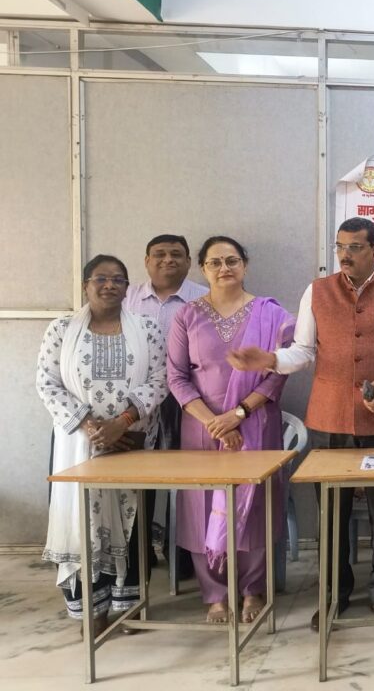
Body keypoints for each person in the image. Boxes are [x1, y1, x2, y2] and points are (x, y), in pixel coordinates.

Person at [228, 217, 374, 633]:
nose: (345, 255)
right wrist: (270, 359)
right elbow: (302, 351)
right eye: (340, 247)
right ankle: (335, 595)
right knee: (332, 513)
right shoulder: (317, 291)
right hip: (328, 417)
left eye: (355, 247)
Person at [166, 236, 295, 624]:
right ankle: (215, 594)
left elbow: (278, 373)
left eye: (232, 260)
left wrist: (238, 414)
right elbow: (176, 377)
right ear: (203, 269)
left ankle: (253, 588)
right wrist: (215, 423)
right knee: (202, 507)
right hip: (202, 428)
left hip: (255, 424)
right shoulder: (187, 316)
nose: (224, 268)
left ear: (245, 265)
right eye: (215, 262)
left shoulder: (272, 314)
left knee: (254, 506)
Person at [37, 255, 167, 634]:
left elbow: (160, 380)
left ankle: (130, 605)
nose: (109, 285)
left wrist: (121, 423)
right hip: (78, 443)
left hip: (132, 440)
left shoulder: (147, 328)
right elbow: (47, 382)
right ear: (85, 285)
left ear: (128, 288)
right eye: (100, 278)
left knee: (133, 523)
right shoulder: (61, 329)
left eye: (118, 279)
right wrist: (91, 426)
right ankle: (92, 610)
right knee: (83, 521)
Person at [124, 234, 208, 570]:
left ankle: (181, 558)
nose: (167, 259)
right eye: (159, 254)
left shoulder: (204, 298)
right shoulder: (127, 298)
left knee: (185, 478)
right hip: (137, 402)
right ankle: (139, 555)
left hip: (187, 400)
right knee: (138, 478)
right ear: (147, 261)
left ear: (188, 262)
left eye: (176, 254)